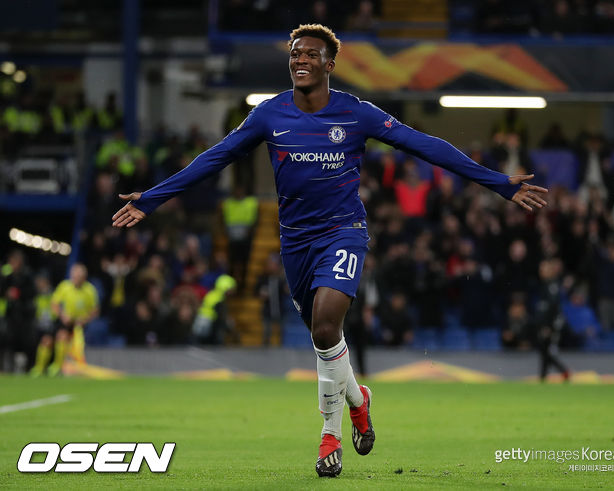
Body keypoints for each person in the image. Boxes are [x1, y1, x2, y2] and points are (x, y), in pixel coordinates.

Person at [112, 24, 548, 477]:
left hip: (344, 232)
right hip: (295, 243)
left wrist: (498, 183)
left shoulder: (355, 113)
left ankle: (329, 437)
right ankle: (358, 400)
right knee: (327, 341)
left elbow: (424, 145)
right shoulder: (268, 114)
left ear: (329, 65)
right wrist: (153, 198)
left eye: (310, 54)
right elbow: (215, 157)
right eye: (295, 54)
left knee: (325, 326)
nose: (300, 60)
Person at [46, 264, 99, 376]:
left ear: (84, 278)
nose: (76, 279)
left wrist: (85, 320)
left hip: (83, 324)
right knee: (59, 336)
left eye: (79, 277)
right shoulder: (64, 286)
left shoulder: (90, 290)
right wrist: (63, 316)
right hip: (66, 321)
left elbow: (95, 310)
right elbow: (54, 304)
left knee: (77, 339)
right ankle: (57, 365)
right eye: (74, 276)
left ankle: (77, 365)